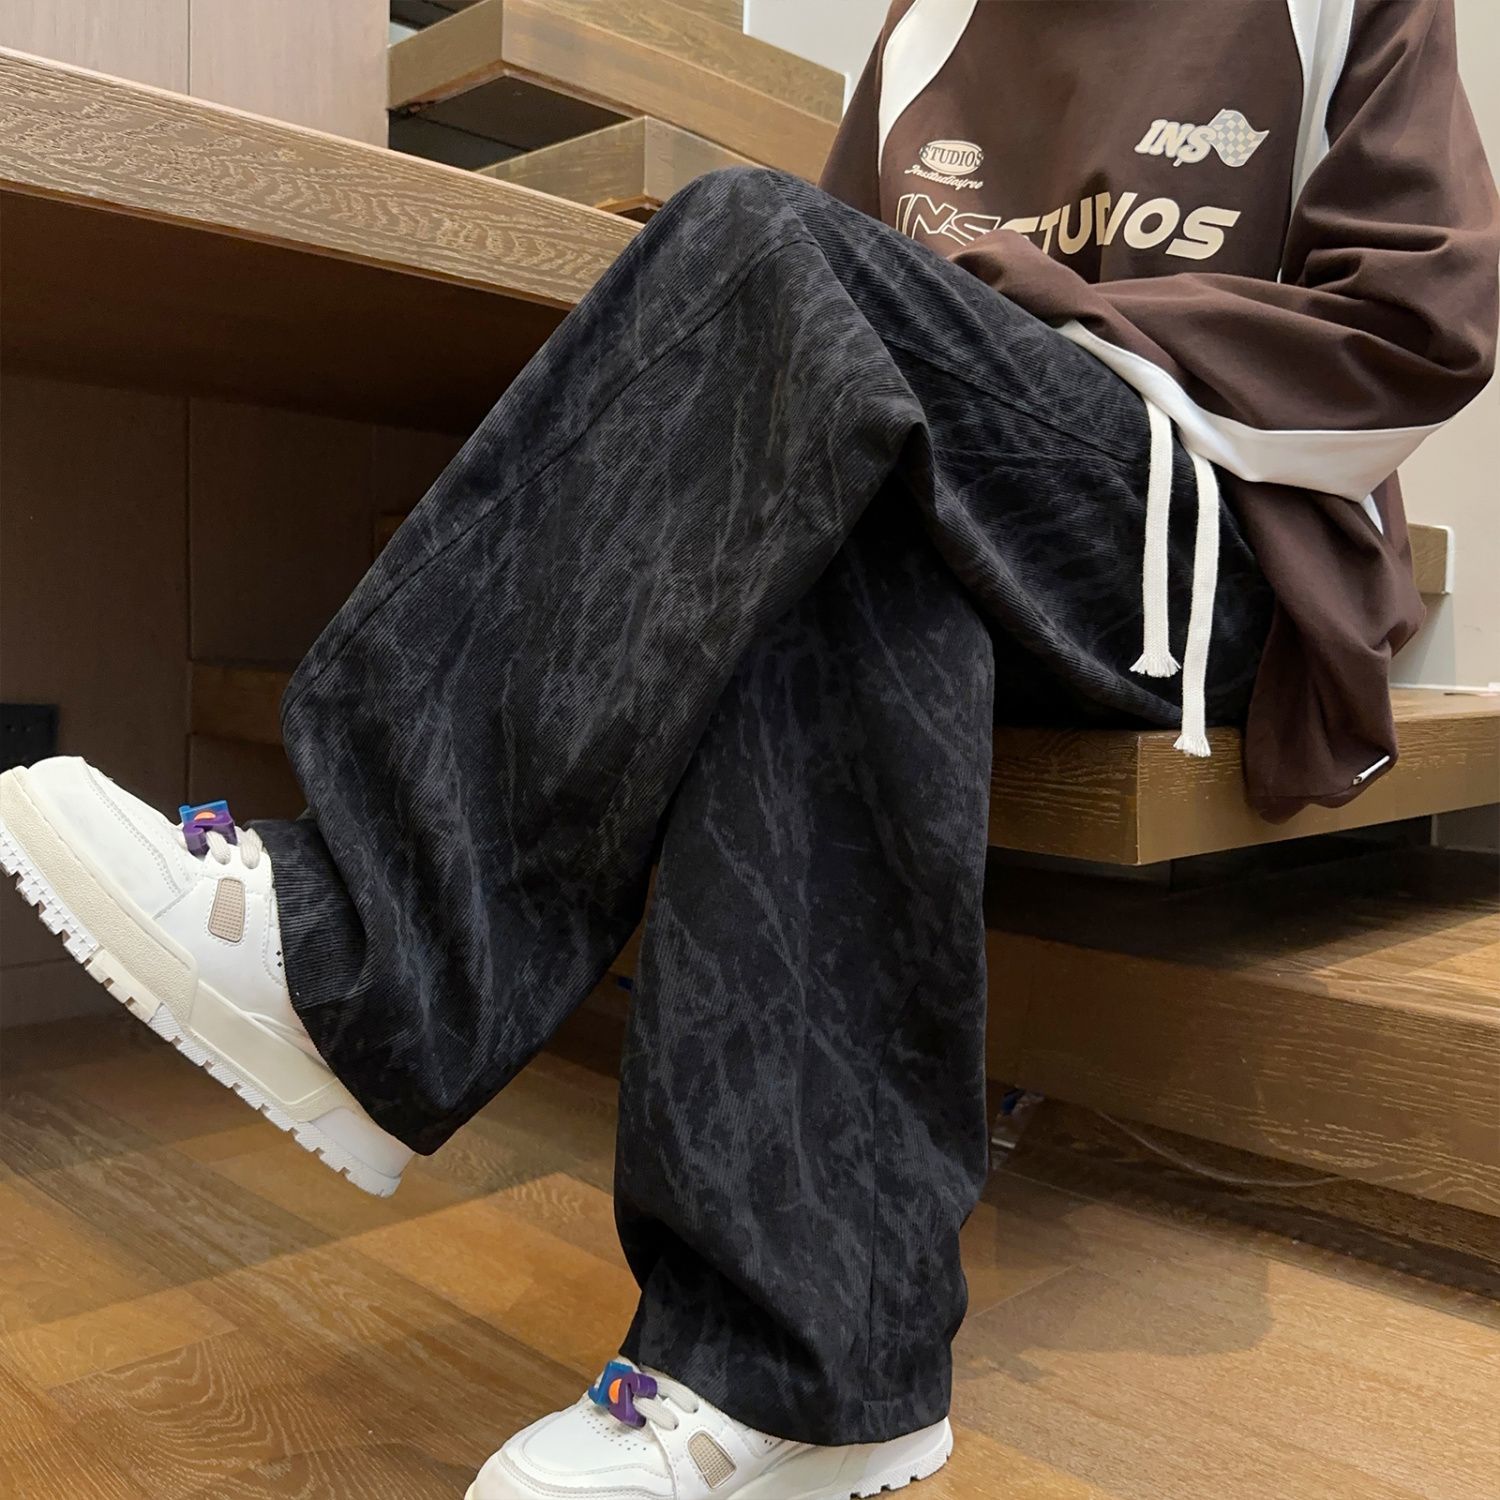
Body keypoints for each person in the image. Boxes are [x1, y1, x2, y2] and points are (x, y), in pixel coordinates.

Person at [1, 1, 1494, 1496]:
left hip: (1203, 541)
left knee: (764, 251)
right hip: (969, 489)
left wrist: (1022, 312)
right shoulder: (931, 23)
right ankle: (803, 1374)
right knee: (829, 480)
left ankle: (365, 944)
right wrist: (949, 332)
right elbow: (837, 347)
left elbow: (1420, 331)